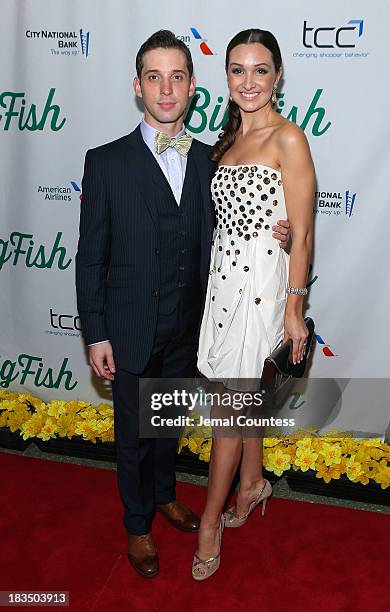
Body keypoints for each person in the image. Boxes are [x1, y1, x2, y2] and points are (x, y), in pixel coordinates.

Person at [75, 29, 290, 579]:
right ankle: (138, 524)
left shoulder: (209, 161)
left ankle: (167, 494)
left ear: (193, 88)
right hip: (128, 327)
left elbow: (236, 225)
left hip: (191, 326)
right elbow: (89, 255)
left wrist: (280, 232)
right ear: (138, 87)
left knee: (166, 423)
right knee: (132, 434)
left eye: (177, 77)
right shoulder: (105, 162)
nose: (166, 90)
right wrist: (96, 333)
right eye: (154, 77)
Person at [194, 29, 315, 580]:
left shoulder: (288, 139)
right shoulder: (226, 142)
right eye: (238, 70)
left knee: (228, 410)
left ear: (278, 76)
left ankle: (209, 523)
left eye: (260, 70)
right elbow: (237, 221)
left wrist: (293, 308)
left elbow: (304, 235)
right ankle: (251, 483)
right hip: (223, 288)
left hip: (262, 292)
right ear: (226, 78)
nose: (249, 81)